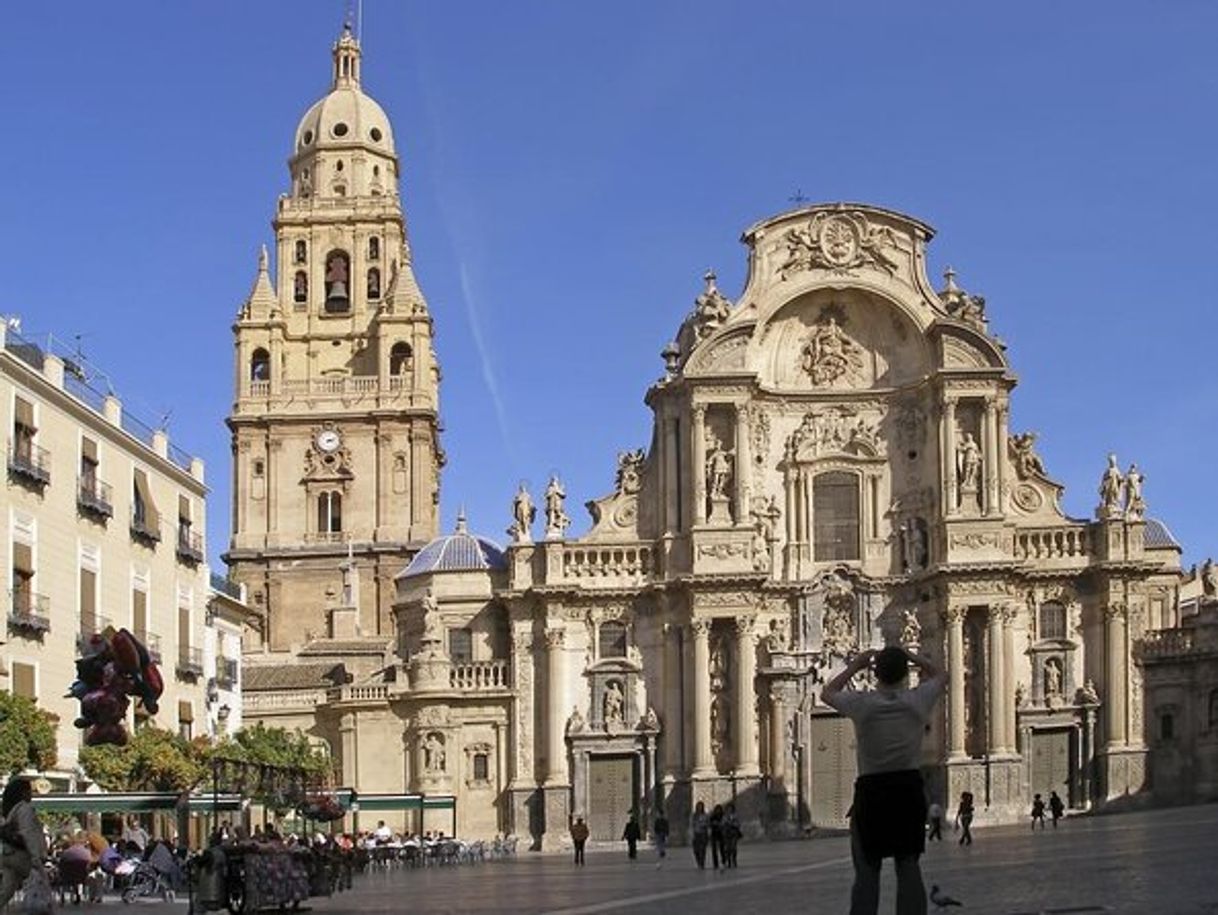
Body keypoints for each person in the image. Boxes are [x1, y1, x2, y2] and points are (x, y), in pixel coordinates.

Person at [823, 645, 946, 915]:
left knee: (867, 872)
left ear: (876, 674)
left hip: (872, 792)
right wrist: (912, 656)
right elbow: (942, 675)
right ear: (905, 674)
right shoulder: (918, 701)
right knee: (909, 867)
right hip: (908, 790)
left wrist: (856, 666)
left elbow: (827, 693)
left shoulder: (863, 704)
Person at [0, 777, 47, 908]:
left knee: (6, 892)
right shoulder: (25, 809)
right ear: (23, 793)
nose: (31, 794)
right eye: (29, 791)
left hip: (8, 854)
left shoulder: (10, 811)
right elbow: (28, 833)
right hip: (23, 855)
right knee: (43, 886)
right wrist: (36, 857)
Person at [690, 802, 710, 870]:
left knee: (702, 849)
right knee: (696, 850)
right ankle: (698, 861)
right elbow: (691, 825)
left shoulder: (705, 815)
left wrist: (705, 827)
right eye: (698, 806)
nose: (699, 808)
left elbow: (708, 824)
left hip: (703, 834)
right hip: (696, 833)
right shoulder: (694, 816)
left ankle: (702, 863)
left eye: (701, 806)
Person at [721, 803, 741, 869]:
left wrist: (732, 824)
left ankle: (734, 860)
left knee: (733, 847)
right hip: (727, 833)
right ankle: (728, 861)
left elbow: (738, 824)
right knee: (727, 848)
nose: (729, 810)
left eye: (731, 809)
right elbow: (722, 823)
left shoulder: (735, 816)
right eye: (728, 809)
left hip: (733, 833)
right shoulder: (725, 816)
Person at [708, 803, 725, 871]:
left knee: (722, 849)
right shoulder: (712, 817)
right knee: (714, 849)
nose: (718, 811)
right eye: (717, 810)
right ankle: (715, 863)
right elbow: (710, 824)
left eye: (719, 810)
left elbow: (724, 823)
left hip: (721, 834)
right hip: (714, 834)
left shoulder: (723, 816)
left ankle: (723, 861)